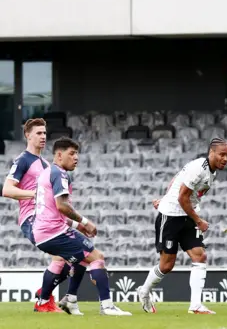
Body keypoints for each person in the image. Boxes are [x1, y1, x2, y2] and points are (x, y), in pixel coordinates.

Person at [33, 137, 131, 316]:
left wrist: (78, 225)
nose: (76, 157)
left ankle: (54, 301)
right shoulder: (60, 174)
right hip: (54, 232)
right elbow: (62, 206)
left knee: (76, 259)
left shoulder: (47, 173)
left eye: (77, 153)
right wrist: (86, 222)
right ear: (59, 155)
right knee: (96, 257)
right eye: (72, 153)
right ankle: (107, 307)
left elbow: (53, 211)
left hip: (42, 233)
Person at [2, 119, 90, 314]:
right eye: (38, 133)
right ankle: (44, 300)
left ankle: (45, 294)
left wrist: (76, 223)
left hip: (48, 218)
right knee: (63, 258)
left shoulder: (45, 164)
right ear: (28, 135)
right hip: (31, 219)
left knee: (76, 257)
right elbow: (7, 189)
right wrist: (35, 194)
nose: (43, 137)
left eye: (44, 133)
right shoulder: (23, 160)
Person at [137, 138, 227, 314]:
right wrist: (199, 220)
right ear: (211, 153)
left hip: (187, 216)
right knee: (166, 266)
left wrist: (165, 198)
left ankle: (195, 305)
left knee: (199, 256)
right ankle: (144, 291)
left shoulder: (212, 171)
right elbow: (182, 197)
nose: (225, 158)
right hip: (171, 217)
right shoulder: (198, 169)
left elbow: (176, 179)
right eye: (222, 154)